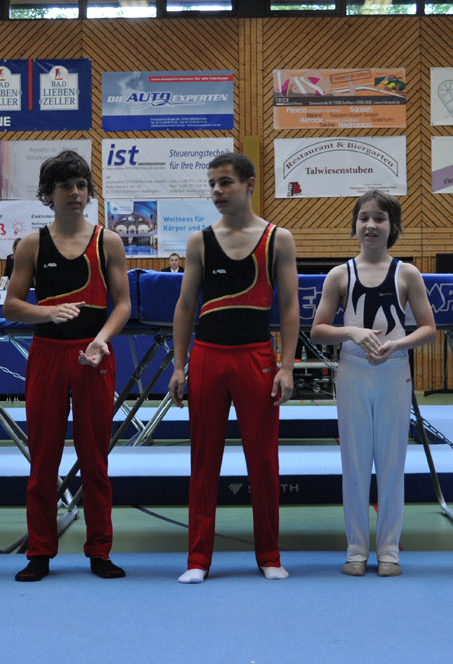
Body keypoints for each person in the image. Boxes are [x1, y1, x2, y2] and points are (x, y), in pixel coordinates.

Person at [169, 152, 298, 583]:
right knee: (204, 460)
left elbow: (290, 307)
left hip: (256, 357)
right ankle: (197, 559)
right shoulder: (199, 241)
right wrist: (179, 366)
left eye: (225, 182)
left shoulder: (278, 239)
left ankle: (269, 554)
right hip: (208, 356)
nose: (217, 191)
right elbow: (185, 306)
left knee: (263, 461)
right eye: (212, 183)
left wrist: (286, 366)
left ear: (249, 184)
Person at [3, 150, 130, 582]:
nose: (74, 193)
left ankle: (100, 550)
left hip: (93, 357)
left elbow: (123, 305)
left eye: (80, 186)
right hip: (48, 356)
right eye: (64, 187)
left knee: (95, 459)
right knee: (43, 458)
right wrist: (47, 313)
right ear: (48, 194)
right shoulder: (32, 244)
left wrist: (101, 339)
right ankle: (40, 551)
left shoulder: (108, 242)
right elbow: (11, 306)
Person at [310, 190, 436, 577]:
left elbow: (429, 328)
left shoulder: (407, 273)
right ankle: (356, 549)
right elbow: (317, 330)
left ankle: (389, 551)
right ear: (354, 225)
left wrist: (398, 343)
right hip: (353, 371)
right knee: (355, 463)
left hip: (394, 371)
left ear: (392, 227)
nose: (370, 225)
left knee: (392, 464)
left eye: (379, 218)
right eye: (364, 217)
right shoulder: (339, 275)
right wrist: (351, 331)